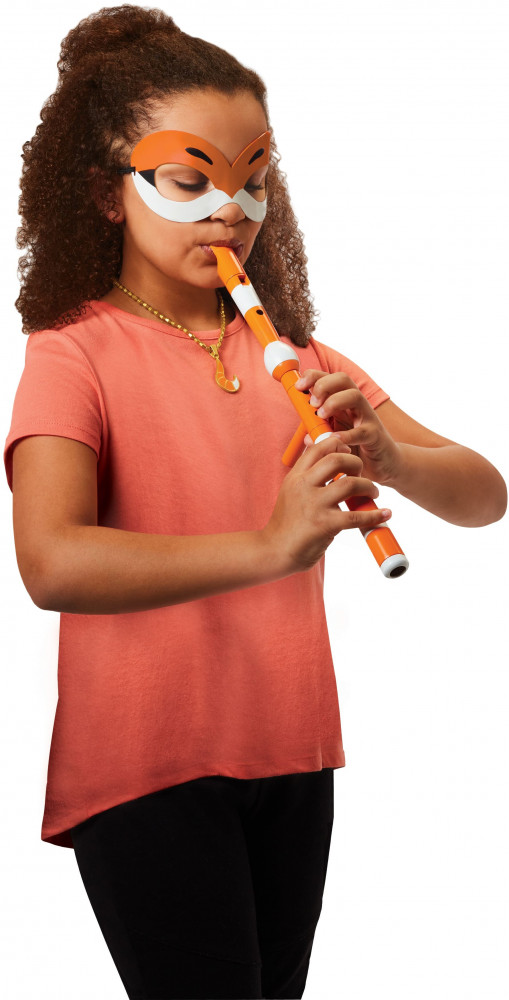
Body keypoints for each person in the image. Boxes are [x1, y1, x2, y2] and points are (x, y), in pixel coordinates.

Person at [3, 6, 507, 1000]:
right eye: (189, 182)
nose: (228, 211)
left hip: (291, 751)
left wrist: (388, 457)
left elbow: (484, 496)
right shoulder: (72, 354)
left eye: (252, 180)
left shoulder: (299, 355)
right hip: (146, 762)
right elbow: (51, 562)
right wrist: (271, 544)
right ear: (107, 194)